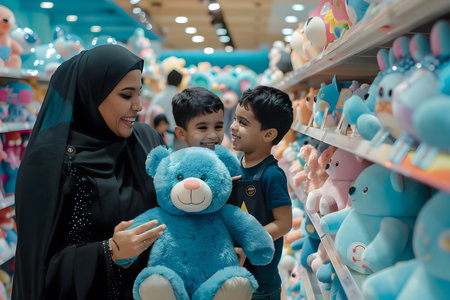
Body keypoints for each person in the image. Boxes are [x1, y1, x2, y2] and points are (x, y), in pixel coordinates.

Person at [13, 45, 167, 300]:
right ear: (92, 94)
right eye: (126, 95)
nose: (138, 106)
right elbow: (38, 268)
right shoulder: (50, 163)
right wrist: (110, 251)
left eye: (139, 93)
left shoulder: (145, 142)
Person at [229, 85, 293, 300]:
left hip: (261, 285)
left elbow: (284, 223)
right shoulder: (237, 164)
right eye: (235, 119)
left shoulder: (272, 175)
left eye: (243, 122)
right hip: (235, 275)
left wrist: (251, 242)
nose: (233, 127)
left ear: (269, 134)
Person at [172, 86, 224, 150]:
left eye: (218, 127)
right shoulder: (175, 160)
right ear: (181, 133)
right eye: (202, 128)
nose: (213, 136)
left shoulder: (226, 159)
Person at [147, 69, 183, 149]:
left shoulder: (157, 97)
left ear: (166, 81)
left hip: (156, 138)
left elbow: (148, 118)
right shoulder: (182, 99)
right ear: (180, 83)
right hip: (176, 141)